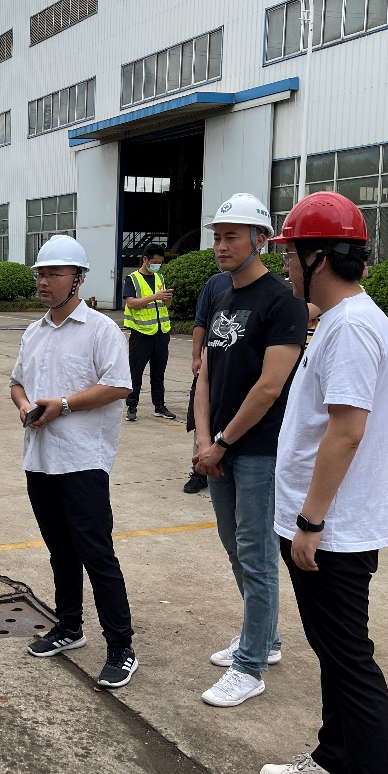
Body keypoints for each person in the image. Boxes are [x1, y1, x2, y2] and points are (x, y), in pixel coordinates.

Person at [260, 192, 388, 774]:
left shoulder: (350, 328)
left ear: (318, 257)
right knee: (337, 657)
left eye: (291, 253)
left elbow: (346, 430)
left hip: (330, 531)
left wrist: (310, 521)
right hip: (328, 525)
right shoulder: (345, 319)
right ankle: (334, 762)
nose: (286, 264)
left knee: (351, 666)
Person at [192, 192, 305, 707]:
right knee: (234, 545)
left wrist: (222, 442)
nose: (221, 245)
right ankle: (267, 638)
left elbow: (270, 386)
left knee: (257, 555)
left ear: (260, 239)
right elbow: (205, 374)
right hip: (218, 447)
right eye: (217, 237)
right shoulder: (222, 296)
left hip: (258, 449)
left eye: (232, 236)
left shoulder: (282, 301)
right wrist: (203, 440)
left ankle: (251, 665)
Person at [11, 236, 139, 689]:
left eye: (55, 273)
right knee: (60, 551)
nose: (44, 281)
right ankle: (69, 626)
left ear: (78, 279)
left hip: (82, 460)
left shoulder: (100, 330)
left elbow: (119, 385)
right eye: (41, 273)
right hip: (40, 459)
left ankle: (121, 647)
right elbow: (16, 383)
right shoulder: (34, 332)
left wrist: (62, 404)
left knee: (96, 554)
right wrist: (24, 404)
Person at [183, 270, 233, 493]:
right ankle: (199, 469)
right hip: (211, 365)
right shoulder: (215, 284)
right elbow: (201, 321)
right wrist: (197, 357)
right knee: (202, 414)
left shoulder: (268, 289)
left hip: (240, 368)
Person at [121, 243, 175, 423]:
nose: (157, 265)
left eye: (160, 262)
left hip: (161, 333)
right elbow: (131, 303)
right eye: (154, 262)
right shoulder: (132, 279)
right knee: (135, 373)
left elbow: (165, 306)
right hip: (141, 334)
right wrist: (155, 297)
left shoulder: (159, 277)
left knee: (158, 373)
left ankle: (159, 406)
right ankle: (132, 407)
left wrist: (167, 299)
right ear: (145, 259)